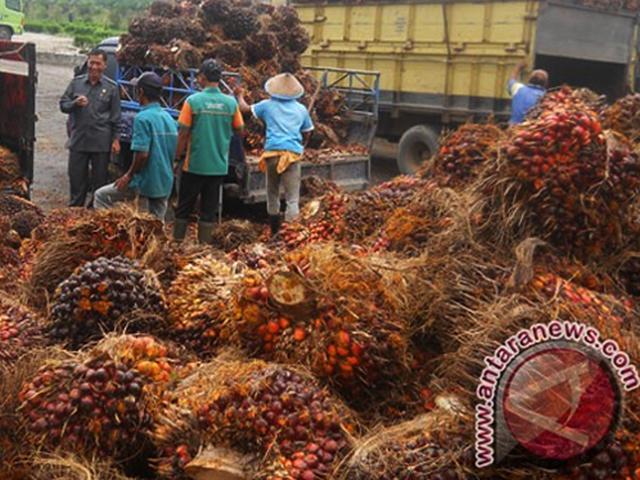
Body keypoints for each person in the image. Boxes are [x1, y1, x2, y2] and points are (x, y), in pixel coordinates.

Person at [173, 59, 244, 243]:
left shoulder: (193, 101)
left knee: (184, 207)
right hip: (218, 166)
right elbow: (240, 129)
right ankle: (204, 247)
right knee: (208, 210)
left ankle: (177, 244)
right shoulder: (230, 103)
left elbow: (182, 133)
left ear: (203, 77)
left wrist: (176, 157)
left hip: (194, 165)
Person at [236, 73, 314, 235]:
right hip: (292, 155)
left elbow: (244, 109)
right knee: (292, 198)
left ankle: (274, 231)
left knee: (272, 192)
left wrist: (239, 95)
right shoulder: (301, 109)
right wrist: (301, 145)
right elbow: (308, 132)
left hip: (272, 154)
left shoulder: (267, 106)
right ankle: (290, 233)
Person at [94, 72, 178, 221]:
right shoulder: (169, 118)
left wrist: (129, 175)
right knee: (157, 223)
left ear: (141, 92)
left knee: (101, 196)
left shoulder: (142, 118)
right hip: (164, 181)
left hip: (145, 181)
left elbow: (142, 154)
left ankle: (110, 233)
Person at [60, 49, 121, 207]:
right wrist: (74, 103)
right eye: (91, 62)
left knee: (99, 183)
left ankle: (93, 214)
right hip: (79, 140)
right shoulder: (76, 83)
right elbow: (63, 105)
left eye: (98, 63)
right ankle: (75, 211)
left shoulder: (112, 88)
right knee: (76, 179)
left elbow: (116, 117)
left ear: (104, 65)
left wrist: (116, 140)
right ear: (87, 62)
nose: (93, 66)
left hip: (100, 143)